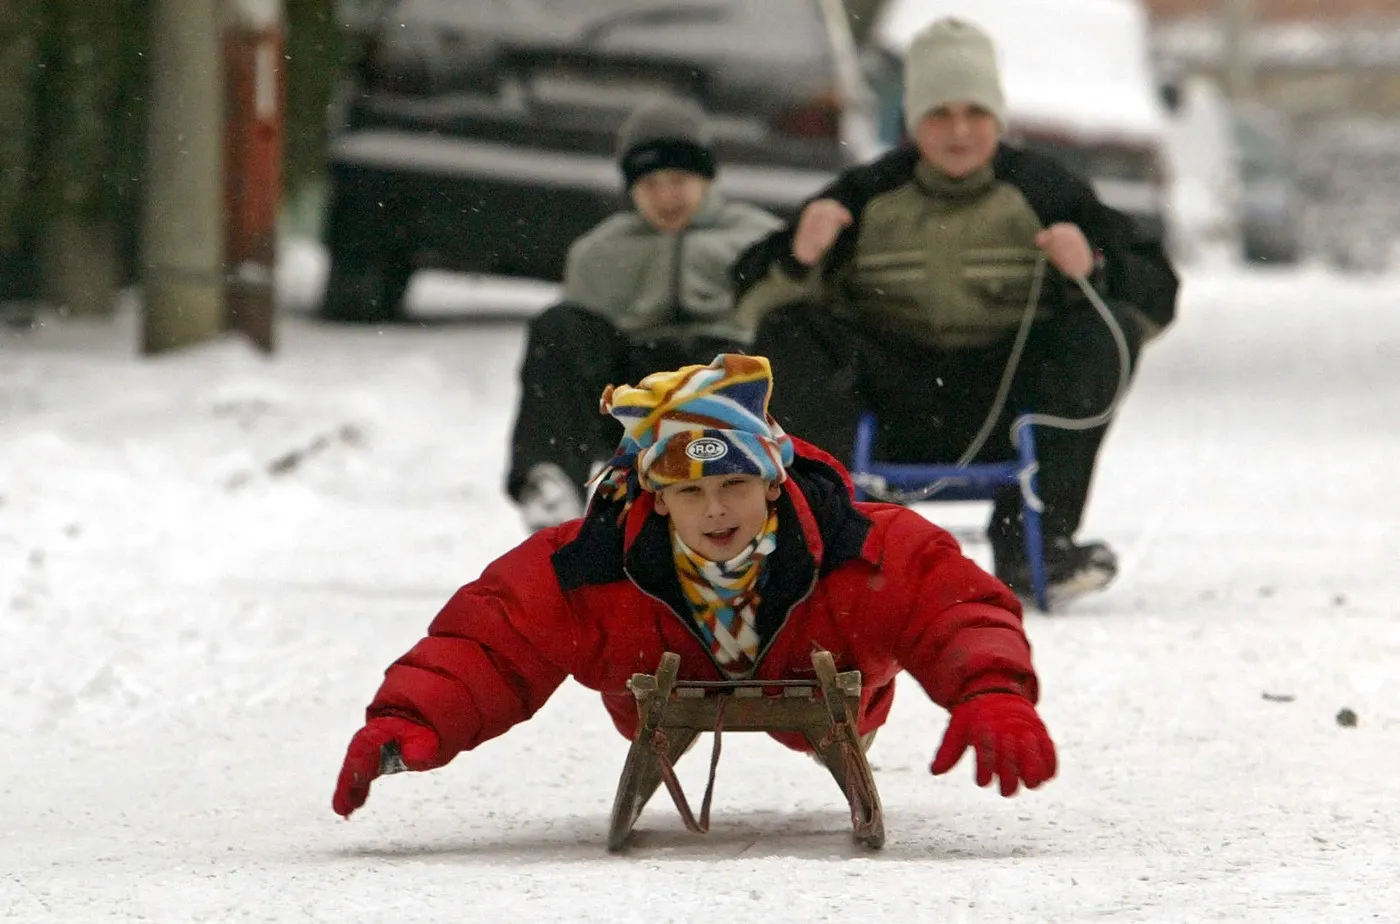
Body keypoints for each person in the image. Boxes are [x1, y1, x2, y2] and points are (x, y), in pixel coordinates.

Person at [333, 354, 1057, 821]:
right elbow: (493, 639)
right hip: (655, 685)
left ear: (773, 484)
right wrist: (410, 719)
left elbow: (951, 602)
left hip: (824, 680)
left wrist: (991, 690)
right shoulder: (593, 561)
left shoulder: (860, 543)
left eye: (735, 484)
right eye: (689, 492)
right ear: (656, 497)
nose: (715, 509)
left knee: (865, 667)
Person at [730, 17, 1180, 603]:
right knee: (787, 331)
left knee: (1105, 332)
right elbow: (744, 305)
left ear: (999, 118)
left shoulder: (1046, 192)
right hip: (889, 399)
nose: (959, 131)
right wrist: (797, 258)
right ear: (914, 122)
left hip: (1010, 405)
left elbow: (1157, 296)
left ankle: (1038, 540)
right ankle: (831, 534)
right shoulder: (865, 195)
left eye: (976, 113)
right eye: (940, 114)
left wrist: (1094, 267)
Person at [507, 97, 784, 532]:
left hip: (724, 384)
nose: (666, 197)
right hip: (636, 390)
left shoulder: (757, 238)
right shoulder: (598, 252)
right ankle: (551, 480)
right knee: (558, 325)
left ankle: (795, 475)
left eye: (678, 180)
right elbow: (578, 353)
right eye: (649, 184)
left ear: (706, 179)